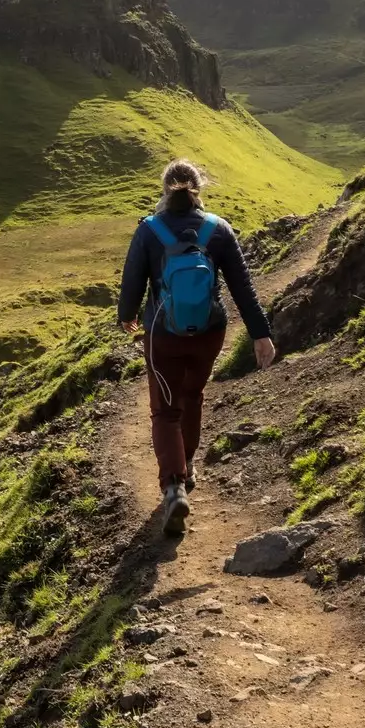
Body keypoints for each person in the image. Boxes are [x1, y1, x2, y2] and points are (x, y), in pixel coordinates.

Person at [118, 158, 275, 537]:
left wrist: (127, 317)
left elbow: (132, 283)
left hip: (163, 334)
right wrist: (261, 334)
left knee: (165, 410)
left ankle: (174, 486)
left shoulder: (149, 231)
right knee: (193, 396)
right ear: (198, 189)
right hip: (209, 333)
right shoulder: (218, 229)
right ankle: (186, 469)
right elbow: (243, 288)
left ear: (164, 189)